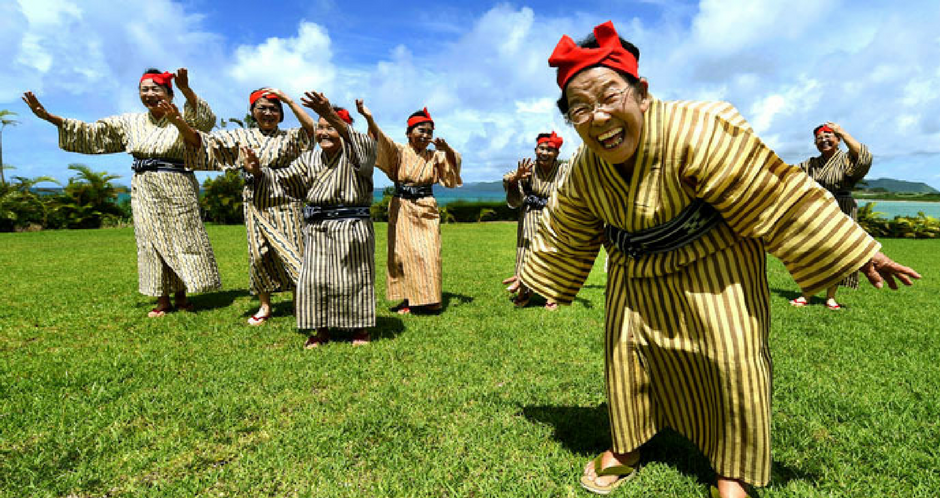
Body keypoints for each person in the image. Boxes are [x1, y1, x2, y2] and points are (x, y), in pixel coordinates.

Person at [519, 21, 920, 498]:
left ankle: (733, 472)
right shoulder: (586, 167)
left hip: (716, 263)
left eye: (609, 97)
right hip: (634, 275)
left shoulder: (700, 129)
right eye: (580, 109)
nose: (598, 117)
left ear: (641, 92)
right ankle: (626, 448)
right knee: (627, 358)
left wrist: (854, 249)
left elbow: (774, 193)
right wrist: (539, 278)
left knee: (732, 361)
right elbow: (569, 228)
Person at [22, 68, 222, 318]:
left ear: (169, 94)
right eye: (144, 90)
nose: (149, 94)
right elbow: (92, 132)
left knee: (183, 236)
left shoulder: (182, 117)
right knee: (150, 241)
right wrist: (50, 117)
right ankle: (162, 299)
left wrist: (186, 91)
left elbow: (205, 122)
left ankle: (182, 296)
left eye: (155, 89)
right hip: (145, 186)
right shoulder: (131, 122)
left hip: (177, 183)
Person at [243, 91, 376, 348]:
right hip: (317, 229)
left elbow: (360, 142)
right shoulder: (310, 158)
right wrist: (258, 170)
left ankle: (359, 327)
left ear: (344, 129)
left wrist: (329, 112)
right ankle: (320, 328)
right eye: (320, 127)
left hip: (352, 227)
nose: (323, 132)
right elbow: (284, 179)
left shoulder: (359, 152)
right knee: (316, 278)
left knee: (354, 277)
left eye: (331, 127)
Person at [183, 88, 317, 325]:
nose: (268, 113)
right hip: (255, 199)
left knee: (297, 252)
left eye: (274, 109)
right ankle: (265, 305)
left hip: (287, 198)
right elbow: (203, 142)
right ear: (253, 112)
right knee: (259, 255)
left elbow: (311, 130)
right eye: (262, 108)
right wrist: (177, 121)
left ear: (281, 114)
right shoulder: (240, 136)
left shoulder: (290, 136)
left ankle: (300, 301)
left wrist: (289, 100)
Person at [355, 101, 461, 314]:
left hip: (426, 207)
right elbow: (380, 142)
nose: (426, 135)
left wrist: (447, 148)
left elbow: (452, 172)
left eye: (429, 132)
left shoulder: (435, 155)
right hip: (401, 206)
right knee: (401, 254)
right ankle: (407, 300)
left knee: (429, 253)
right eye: (421, 130)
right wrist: (369, 118)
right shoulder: (400, 151)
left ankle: (430, 300)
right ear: (409, 132)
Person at [789, 122, 872, 310]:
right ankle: (806, 293)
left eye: (829, 136)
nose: (824, 140)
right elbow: (788, 174)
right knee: (811, 250)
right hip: (817, 209)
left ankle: (831, 297)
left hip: (842, 208)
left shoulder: (847, 160)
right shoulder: (810, 164)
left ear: (838, 140)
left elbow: (864, 159)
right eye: (819, 138)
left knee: (838, 252)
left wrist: (842, 130)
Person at [502, 131, 569, 309]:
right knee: (527, 249)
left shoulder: (564, 169)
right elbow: (508, 177)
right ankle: (524, 290)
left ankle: (550, 293)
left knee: (551, 252)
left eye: (550, 149)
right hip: (530, 214)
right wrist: (516, 178)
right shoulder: (529, 168)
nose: (545, 153)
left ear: (557, 154)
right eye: (541, 148)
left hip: (554, 216)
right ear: (535, 149)